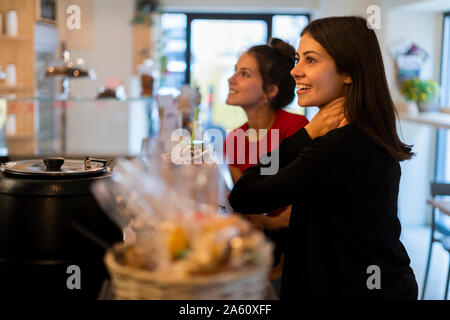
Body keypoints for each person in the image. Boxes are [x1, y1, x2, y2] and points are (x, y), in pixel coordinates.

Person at [229, 16, 418, 300]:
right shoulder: (361, 132)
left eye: (311, 60)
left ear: (348, 72)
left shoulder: (338, 146)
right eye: (297, 59)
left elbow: (244, 195)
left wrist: (307, 133)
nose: (295, 71)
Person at [224, 38, 309, 231]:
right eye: (235, 70)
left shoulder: (296, 128)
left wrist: (269, 223)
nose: (231, 79)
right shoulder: (233, 139)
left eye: (244, 74)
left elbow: (305, 201)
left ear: (270, 91)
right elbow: (247, 202)